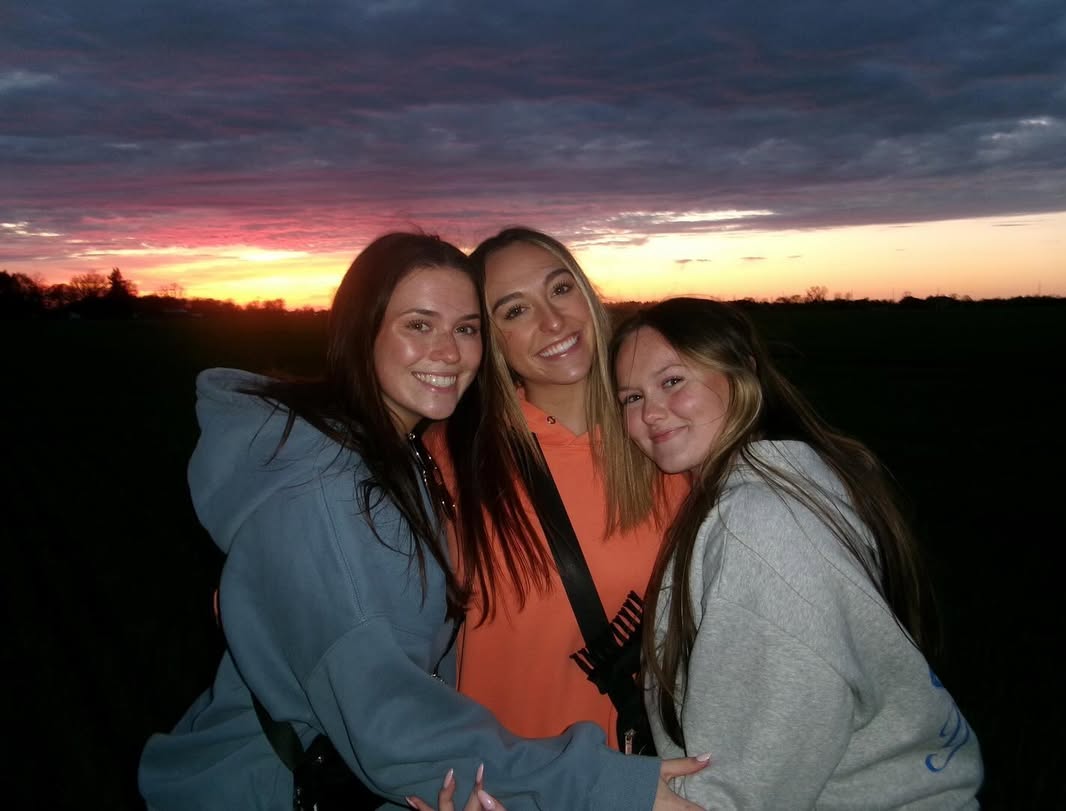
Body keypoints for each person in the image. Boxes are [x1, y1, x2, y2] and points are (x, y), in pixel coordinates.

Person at [137, 233, 703, 811]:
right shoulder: (352, 482)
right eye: (419, 324)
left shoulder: (410, 462)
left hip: (490, 772)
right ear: (362, 331)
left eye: (464, 328)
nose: (448, 352)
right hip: (312, 786)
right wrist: (587, 783)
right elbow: (386, 712)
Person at [609, 297, 984, 809]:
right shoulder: (792, 476)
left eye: (672, 381)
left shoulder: (759, 522)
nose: (651, 412)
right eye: (632, 397)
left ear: (743, 371)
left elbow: (753, 777)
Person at [438, 228, 685, 759]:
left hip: (652, 776)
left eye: (560, 288)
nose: (553, 322)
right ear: (489, 339)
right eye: (515, 311)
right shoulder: (454, 458)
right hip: (511, 778)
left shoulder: (667, 436)